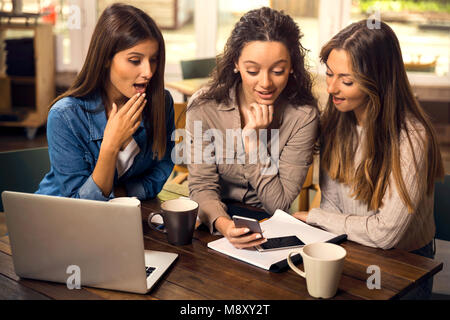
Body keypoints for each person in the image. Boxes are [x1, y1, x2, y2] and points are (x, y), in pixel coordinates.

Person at [293, 20, 444, 299]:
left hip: (406, 266)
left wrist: (316, 218)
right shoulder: (336, 122)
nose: (331, 88)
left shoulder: (412, 137)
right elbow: (332, 204)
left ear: (379, 81)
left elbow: (386, 235)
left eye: (346, 81)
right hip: (351, 247)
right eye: (329, 74)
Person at [186, 7, 319, 248]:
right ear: (236, 62)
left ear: (292, 66)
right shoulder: (204, 107)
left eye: (278, 71)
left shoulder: (303, 116)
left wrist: (253, 143)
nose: (266, 83)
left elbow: (279, 204)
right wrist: (225, 225)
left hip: (270, 223)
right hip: (213, 220)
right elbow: (201, 185)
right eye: (253, 70)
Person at [36, 3, 175, 201]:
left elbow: (161, 169)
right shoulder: (65, 116)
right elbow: (80, 206)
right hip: (59, 220)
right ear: (105, 59)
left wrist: (119, 195)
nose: (148, 72)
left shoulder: (161, 103)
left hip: (120, 215)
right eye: (135, 60)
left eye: (153, 59)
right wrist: (110, 145)